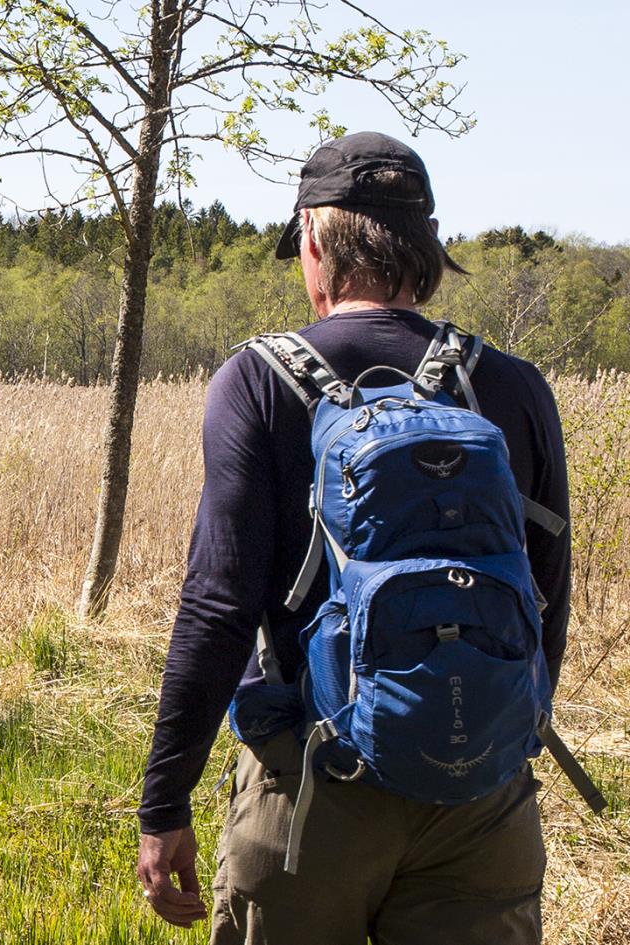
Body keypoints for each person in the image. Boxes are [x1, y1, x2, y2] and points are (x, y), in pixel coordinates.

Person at [135, 132, 573, 945]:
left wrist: (164, 801)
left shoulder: (258, 380)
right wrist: (489, 736)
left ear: (313, 238)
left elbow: (218, 606)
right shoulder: (511, 384)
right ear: (426, 245)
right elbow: (548, 594)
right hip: (480, 802)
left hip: (311, 790)